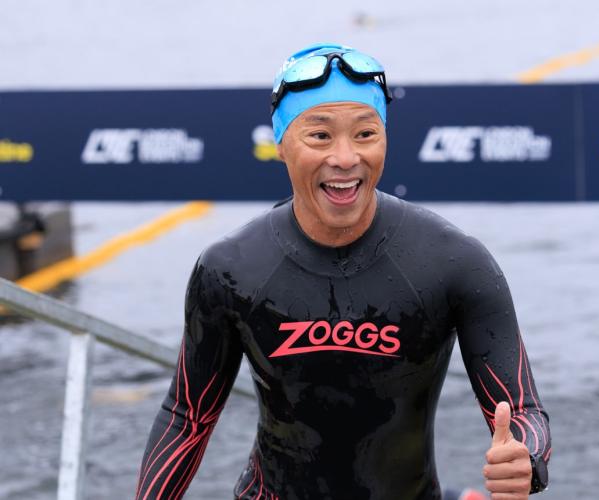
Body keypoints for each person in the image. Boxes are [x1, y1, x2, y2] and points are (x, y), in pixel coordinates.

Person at [136, 43, 551, 500]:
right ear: (281, 145)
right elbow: (186, 417)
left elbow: (524, 410)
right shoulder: (231, 269)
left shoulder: (454, 262)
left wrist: (526, 460)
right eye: (320, 136)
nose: (346, 157)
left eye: (365, 134)